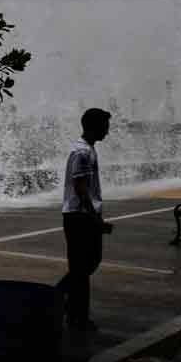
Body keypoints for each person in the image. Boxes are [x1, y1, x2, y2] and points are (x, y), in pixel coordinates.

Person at [56, 108, 112, 332]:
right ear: (93, 126)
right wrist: (94, 219)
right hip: (79, 216)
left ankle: (66, 304)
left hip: (83, 215)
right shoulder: (82, 152)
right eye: (105, 127)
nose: (107, 132)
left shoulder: (87, 149)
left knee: (87, 264)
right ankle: (69, 310)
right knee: (82, 267)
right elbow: (80, 188)